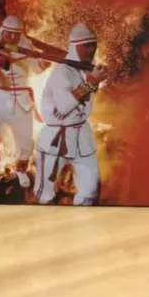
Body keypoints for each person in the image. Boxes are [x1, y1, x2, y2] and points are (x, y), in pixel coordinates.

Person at [34, 23, 103, 206]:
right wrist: (90, 83)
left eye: (93, 45)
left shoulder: (86, 68)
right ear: (75, 46)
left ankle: (84, 221)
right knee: (44, 193)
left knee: (90, 190)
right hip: (55, 136)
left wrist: (93, 81)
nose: (91, 50)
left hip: (81, 134)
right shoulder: (62, 72)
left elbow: (89, 94)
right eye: (86, 46)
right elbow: (64, 107)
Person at [0, 15, 49, 190]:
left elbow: (38, 69)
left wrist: (44, 60)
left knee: (25, 142)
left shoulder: (26, 48)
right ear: (2, 32)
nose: (12, 37)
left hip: (21, 100)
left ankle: (21, 170)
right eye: (8, 33)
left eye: (15, 34)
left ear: (20, 34)